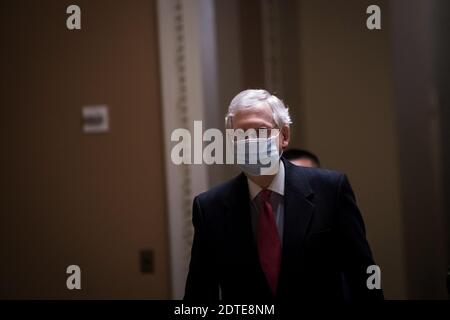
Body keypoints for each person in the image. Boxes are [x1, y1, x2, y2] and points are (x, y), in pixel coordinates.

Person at [184, 89, 383, 301]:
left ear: (284, 135)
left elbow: (364, 272)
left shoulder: (330, 190)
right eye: (240, 134)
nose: (250, 141)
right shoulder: (209, 207)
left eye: (261, 131)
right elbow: (199, 292)